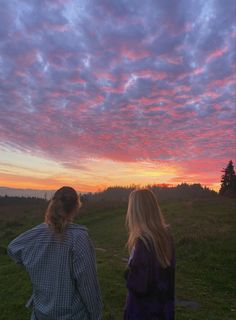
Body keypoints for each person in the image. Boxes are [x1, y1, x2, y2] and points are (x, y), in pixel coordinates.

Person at [7, 186, 103, 320]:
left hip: (40, 314)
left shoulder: (36, 233)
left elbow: (13, 248)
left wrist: (32, 264)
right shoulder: (79, 238)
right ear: (76, 206)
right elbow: (88, 285)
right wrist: (96, 315)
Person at [124, 189, 175, 320]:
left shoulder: (142, 243)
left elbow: (139, 286)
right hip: (163, 309)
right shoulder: (166, 237)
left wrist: (128, 274)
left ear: (136, 212)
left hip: (142, 312)